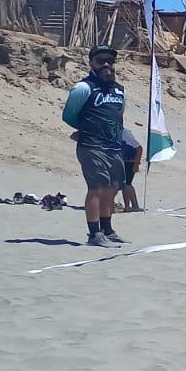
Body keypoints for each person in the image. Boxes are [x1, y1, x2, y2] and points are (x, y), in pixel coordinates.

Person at [61, 46, 129, 247]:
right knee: (97, 188)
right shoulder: (84, 88)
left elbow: (118, 115)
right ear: (92, 63)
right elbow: (69, 115)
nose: (106, 64)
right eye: (101, 60)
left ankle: (107, 230)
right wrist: (85, 130)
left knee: (112, 189)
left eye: (110, 60)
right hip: (92, 146)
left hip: (114, 147)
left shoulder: (119, 90)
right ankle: (94, 234)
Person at [116, 127, 143, 213]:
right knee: (125, 184)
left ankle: (133, 206)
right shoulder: (114, 131)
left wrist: (136, 164)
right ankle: (128, 206)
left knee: (127, 184)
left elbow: (139, 148)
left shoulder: (124, 133)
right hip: (122, 161)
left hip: (130, 161)